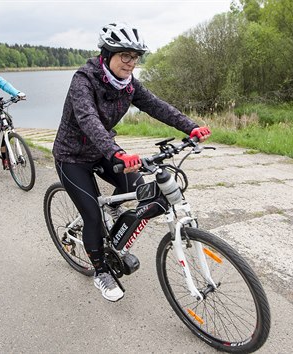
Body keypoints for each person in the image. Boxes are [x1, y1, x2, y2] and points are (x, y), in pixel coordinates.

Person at [52, 22, 211, 302]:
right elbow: (88, 119)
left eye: (135, 57)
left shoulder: (128, 85)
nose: (131, 63)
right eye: (125, 55)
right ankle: (101, 270)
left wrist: (190, 127)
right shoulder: (84, 80)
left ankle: (113, 230)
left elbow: (156, 105)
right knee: (91, 214)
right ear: (107, 54)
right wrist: (116, 152)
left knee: (141, 190)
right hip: (72, 156)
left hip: (104, 151)